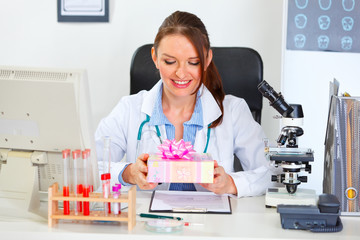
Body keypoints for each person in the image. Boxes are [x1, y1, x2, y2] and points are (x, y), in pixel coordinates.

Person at [95, 11, 274, 197]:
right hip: (149, 222)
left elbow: (271, 172)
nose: (181, 73)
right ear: (155, 58)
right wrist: (127, 173)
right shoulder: (129, 109)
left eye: (193, 62)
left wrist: (231, 184)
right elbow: (88, 167)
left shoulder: (233, 111)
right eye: (170, 61)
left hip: (215, 224)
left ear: (207, 60)